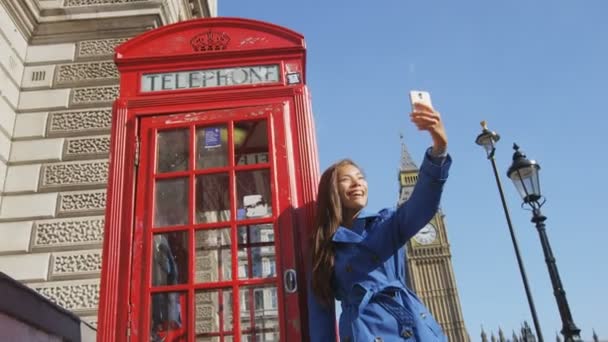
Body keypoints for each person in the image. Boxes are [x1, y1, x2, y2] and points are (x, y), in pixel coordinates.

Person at [308, 102, 451, 341]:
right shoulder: (324, 248)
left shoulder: (385, 224)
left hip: (410, 326)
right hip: (364, 331)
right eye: (347, 179)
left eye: (361, 177)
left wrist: (439, 148)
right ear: (331, 192)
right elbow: (320, 319)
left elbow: (422, 205)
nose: (357, 183)